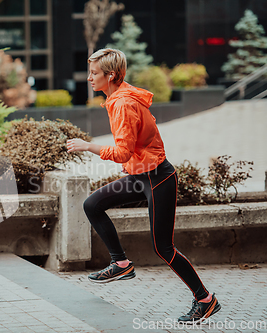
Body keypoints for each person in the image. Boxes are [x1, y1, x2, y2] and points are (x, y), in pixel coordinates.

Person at [66, 48, 221, 323]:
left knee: (163, 248)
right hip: (141, 177)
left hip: (158, 178)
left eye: (94, 73)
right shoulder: (119, 97)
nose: (89, 78)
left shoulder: (123, 103)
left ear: (110, 75)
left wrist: (88, 146)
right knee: (92, 204)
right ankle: (121, 264)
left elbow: (123, 152)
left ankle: (205, 299)